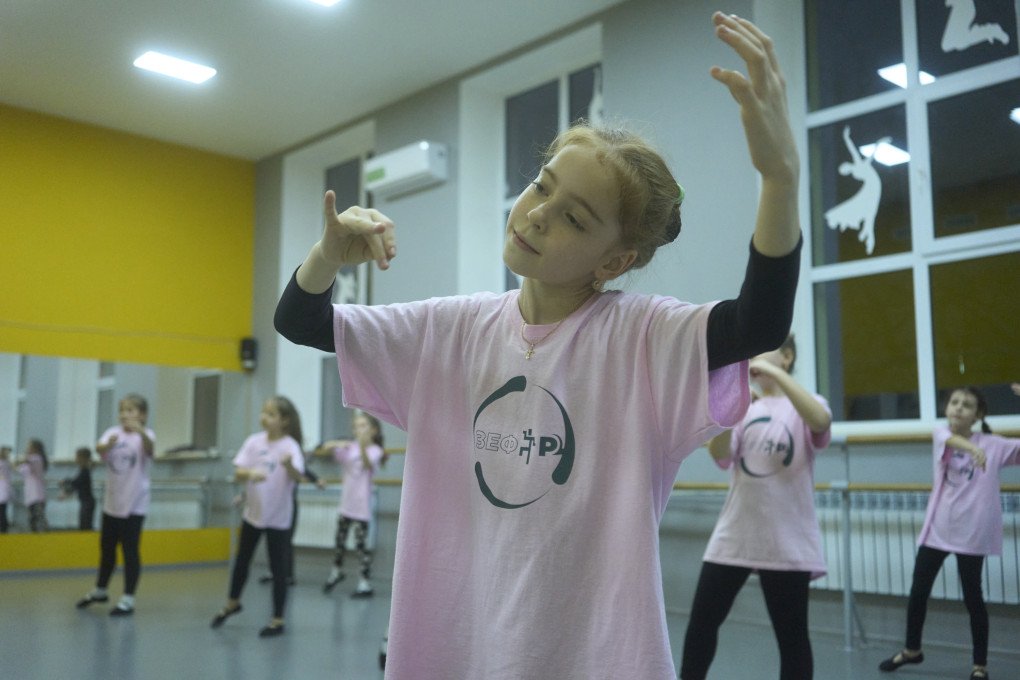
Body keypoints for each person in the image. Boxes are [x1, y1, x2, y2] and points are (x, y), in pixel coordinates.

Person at [275, 12, 801, 678]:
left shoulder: (641, 337)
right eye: (541, 185)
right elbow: (300, 320)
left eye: (574, 217)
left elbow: (757, 324)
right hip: (458, 644)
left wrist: (780, 182)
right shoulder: (449, 330)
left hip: (590, 655)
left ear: (613, 261)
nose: (538, 214)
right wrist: (328, 253)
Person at [679, 334, 832, 680]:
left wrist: (776, 376)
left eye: (765, 351)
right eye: (751, 354)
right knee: (701, 625)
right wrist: (728, 409)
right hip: (735, 537)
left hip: (786, 541)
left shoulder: (808, 404)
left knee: (792, 639)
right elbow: (719, 455)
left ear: (788, 356)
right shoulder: (747, 410)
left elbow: (821, 423)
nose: (754, 360)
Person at [879, 387, 1019, 680]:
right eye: (954, 403)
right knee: (918, 591)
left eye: (967, 405)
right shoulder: (940, 434)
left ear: (978, 415)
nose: (958, 408)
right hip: (938, 529)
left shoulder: (994, 445)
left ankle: (979, 665)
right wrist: (973, 450)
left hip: (972, 533)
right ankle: (912, 650)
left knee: (973, 597)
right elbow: (947, 439)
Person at [211, 396, 306, 638]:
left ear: (284, 421)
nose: (264, 417)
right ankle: (232, 603)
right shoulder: (254, 442)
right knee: (242, 561)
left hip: (278, 518)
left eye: (271, 414)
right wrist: (251, 472)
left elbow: (298, 478)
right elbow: (239, 470)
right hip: (253, 514)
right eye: (264, 412)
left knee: (278, 569)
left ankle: (277, 619)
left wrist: (289, 466)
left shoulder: (290, 447)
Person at [76, 394, 155, 616]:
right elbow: (99, 448)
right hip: (112, 502)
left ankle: (128, 598)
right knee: (107, 549)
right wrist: (105, 445)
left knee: (130, 551)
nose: (124, 415)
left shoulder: (146, 435)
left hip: (135, 504)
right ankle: (101, 590)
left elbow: (150, 448)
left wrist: (139, 431)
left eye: (130, 410)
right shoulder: (113, 433)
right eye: (122, 410)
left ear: (142, 415)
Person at [317, 411, 386, 598]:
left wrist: (361, 446)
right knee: (339, 541)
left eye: (364, 426)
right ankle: (336, 572)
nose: (359, 429)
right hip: (346, 503)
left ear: (373, 430)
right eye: (357, 426)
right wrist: (339, 443)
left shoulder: (376, 451)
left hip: (362, 505)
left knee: (361, 545)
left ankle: (364, 583)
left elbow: (367, 464)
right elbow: (325, 449)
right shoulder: (349, 447)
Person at [17, 438, 50, 532]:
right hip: (30, 495)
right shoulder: (29, 463)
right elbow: (20, 469)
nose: (27, 449)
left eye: (29, 447)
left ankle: (43, 533)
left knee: (38, 517)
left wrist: (25, 458)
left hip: (37, 495)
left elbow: (28, 461)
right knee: (32, 519)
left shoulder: (37, 458)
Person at [60, 447, 96, 531]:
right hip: (85, 501)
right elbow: (77, 485)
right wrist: (66, 493)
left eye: (77, 457)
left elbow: (76, 483)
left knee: (85, 525)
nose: (75, 459)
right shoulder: (84, 470)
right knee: (84, 524)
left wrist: (65, 482)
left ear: (82, 458)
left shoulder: (85, 471)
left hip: (87, 502)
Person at [0, 445, 12, 533]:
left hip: (3, 489)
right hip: (4, 488)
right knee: (3, 510)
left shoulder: (5, 463)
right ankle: (4, 528)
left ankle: (3, 528)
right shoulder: (6, 463)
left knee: (2, 511)